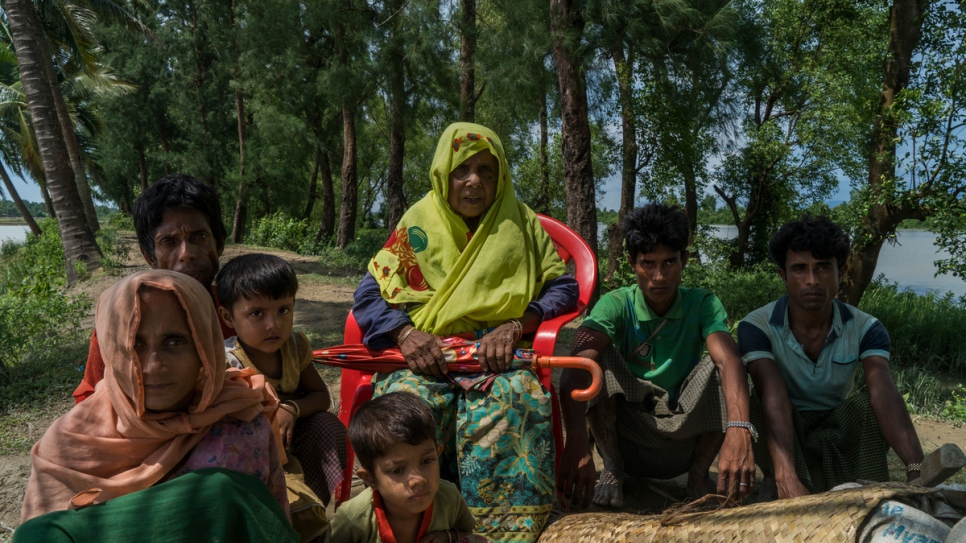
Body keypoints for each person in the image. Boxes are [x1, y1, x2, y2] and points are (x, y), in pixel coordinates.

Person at [351, 122, 578, 542]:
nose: (474, 181)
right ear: (443, 173)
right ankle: (415, 527)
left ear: (501, 177)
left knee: (515, 399)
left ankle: (501, 535)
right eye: (463, 169)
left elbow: (563, 286)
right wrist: (404, 335)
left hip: (498, 354)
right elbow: (369, 294)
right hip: (426, 354)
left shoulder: (520, 222)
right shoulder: (417, 224)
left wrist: (516, 326)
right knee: (405, 409)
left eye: (487, 171)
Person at [17, 270, 296, 543]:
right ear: (112, 350)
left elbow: (267, 524)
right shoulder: (69, 442)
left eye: (176, 341)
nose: (153, 366)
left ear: (205, 348)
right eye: (134, 344)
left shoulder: (241, 423)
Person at [558, 203, 756, 509]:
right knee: (596, 358)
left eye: (669, 263)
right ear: (631, 262)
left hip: (682, 437)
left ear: (684, 260)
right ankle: (612, 468)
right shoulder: (615, 304)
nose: (659, 276)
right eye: (648, 263)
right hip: (629, 435)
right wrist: (576, 439)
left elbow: (728, 360)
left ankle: (697, 477)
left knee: (727, 367)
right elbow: (575, 364)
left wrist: (739, 427)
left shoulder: (703, 303)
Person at [737, 216, 924, 499]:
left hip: (838, 427)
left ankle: (861, 490)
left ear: (842, 271)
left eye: (823, 268)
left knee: (865, 406)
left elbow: (883, 392)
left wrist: (916, 468)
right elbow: (772, 394)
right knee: (757, 403)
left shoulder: (866, 327)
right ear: (783, 275)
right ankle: (780, 479)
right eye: (799, 269)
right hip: (786, 429)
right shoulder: (757, 326)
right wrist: (787, 476)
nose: (812, 280)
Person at [72, 173, 230, 403]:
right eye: (168, 242)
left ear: (220, 244)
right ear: (149, 256)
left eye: (200, 236)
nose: (187, 254)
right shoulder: (121, 321)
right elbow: (91, 397)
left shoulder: (240, 312)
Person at [217, 253, 347, 505]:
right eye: (257, 314)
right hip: (249, 453)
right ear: (228, 317)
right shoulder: (228, 362)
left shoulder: (294, 348)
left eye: (284, 310)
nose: (273, 324)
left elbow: (321, 396)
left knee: (328, 425)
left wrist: (291, 408)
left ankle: (310, 508)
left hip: (293, 443)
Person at [326, 392, 486, 543]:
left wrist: (449, 536)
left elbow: (469, 533)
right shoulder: (353, 518)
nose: (418, 480)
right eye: (397, 470)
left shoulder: (449, 498)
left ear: (438, 454)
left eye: (427, 460)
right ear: (370, 479)